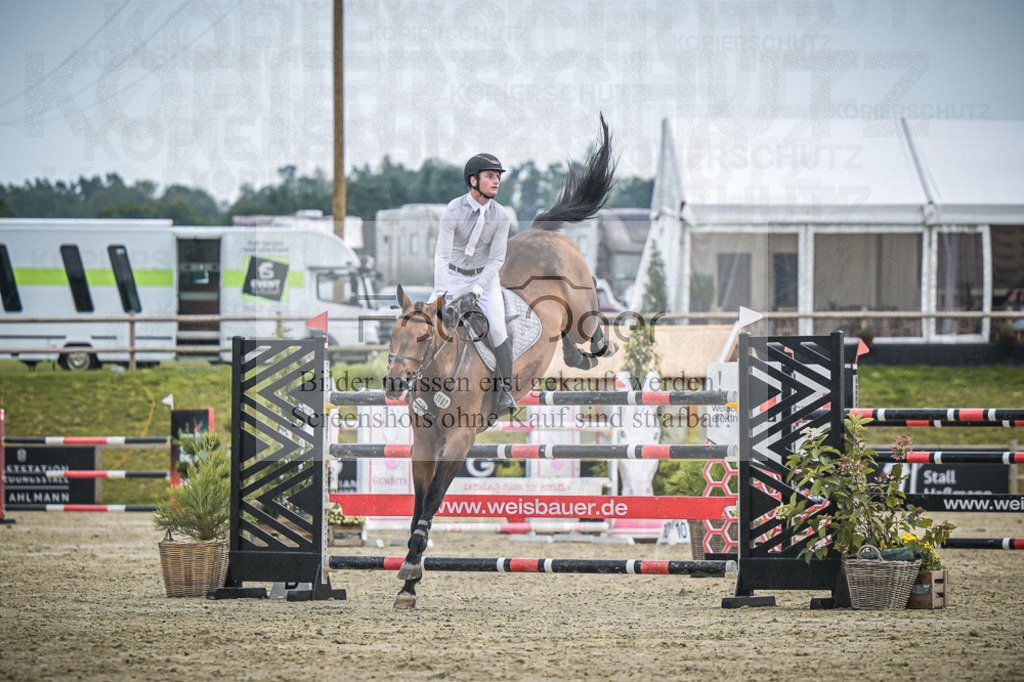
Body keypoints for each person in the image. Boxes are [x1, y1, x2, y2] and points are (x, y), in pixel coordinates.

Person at [429, 153, 516, 413]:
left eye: (498, 177)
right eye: (490, 176)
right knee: (421, 322)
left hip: (484, 279)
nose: (496, 181)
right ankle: (413, 383)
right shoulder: (453, 211)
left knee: (499, 331)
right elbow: (442, 255)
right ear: (473, 180)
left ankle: (505, 393)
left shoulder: (501, 217)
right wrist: (442, 294)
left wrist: (477, 291)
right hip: (452, 277)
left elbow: (497, 259)